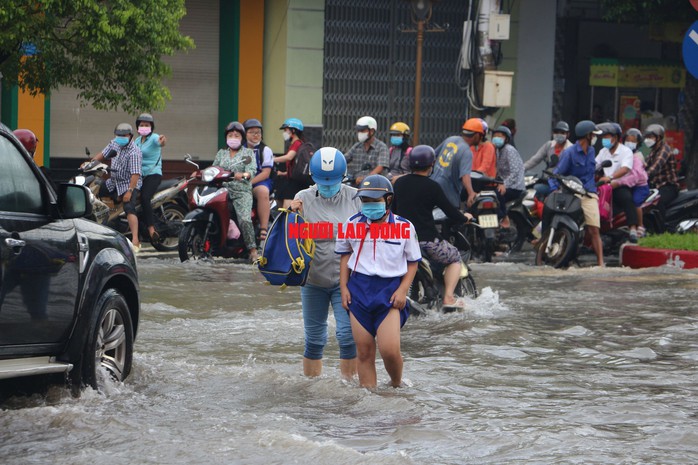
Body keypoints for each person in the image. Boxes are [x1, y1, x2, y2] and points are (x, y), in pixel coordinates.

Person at [336, 175, 420, 388]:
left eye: (375, 201)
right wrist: (344, 287)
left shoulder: (405, 227)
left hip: (389, 291)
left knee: (390, 351)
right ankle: (370, 401)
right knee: (364, 351)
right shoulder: (351, 224)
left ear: (388, 199)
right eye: (365, 201)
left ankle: (396, 384)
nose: (369, 205)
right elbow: (345, 255)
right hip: (359, 290)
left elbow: (413, 262)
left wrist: (403, 290)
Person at [290, 147, 360, 379]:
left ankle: (348, 388)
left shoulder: (356, 197)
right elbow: (291, 240)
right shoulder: (303, 198)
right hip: (313, 280)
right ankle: (310, 389)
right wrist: (291, 215)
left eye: (333, 182)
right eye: (322, 182)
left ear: (343, 176)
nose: (327, 186)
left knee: (348, 337)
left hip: (347, 283)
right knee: (314, 339)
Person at [393, 145, 473, 310]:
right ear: (432, 164)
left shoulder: (399, 183)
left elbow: (393, 211)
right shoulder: (432, 186)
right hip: (426, 241)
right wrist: (465, 218)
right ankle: (449, 298)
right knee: (455, 257)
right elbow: (450, 211)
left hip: (400, 241)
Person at [548, 120, 604, 266]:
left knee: (594, 229)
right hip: (572, 193)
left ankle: (600, 263)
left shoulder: (592, 151)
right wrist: (554, 189)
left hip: (589, 193)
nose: (595, 138)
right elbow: (557, 173)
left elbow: (592, 173)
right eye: (593, 135)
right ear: (587, 135)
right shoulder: (569, 153)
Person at [88, 123, 143, 251]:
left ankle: (135, 239)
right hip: (114, 181)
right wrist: (89, 164)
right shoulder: (115, 144)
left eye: (123, 135)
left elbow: (135, 174)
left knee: (129, 207)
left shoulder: (134, 152)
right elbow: (102, 154)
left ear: (130, 136)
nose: (120, 137)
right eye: (118, 135)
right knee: (94, 191)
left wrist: (129, 191)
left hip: (128, 183)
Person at [213, 121, 259, 262]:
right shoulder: (221, 153)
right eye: (230, 135)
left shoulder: (248, 153)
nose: (233, 137)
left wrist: (244, 175)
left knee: (245, 219)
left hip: (241, 191)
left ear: (242, 138)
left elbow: (251, 171)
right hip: (222, 190)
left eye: (236, 135)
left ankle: (253, 250)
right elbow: (215, 168)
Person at [595, 122, 639, 242]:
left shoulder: (626, 151)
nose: (604, 140)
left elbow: (625, 169)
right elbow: (594, 165)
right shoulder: (603, 151)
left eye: (607, 137)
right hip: (604, 186)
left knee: (626, 198)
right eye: (603, 138)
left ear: (615, 138)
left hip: (620, 184)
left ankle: (633, 228)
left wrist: (611, 177)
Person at [134, 113, 167, 244]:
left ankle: (151, 229)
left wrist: (162, 141)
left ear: (151, 127)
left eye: (147, 125)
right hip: (139, 175)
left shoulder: (154, 137)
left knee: (144, 197)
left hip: (153, 174)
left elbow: (161, 141)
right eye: (141, 125)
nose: (144, 127)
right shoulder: (136, 141)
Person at [431, 122, 477, 209]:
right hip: (448, 194)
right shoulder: (466, 152)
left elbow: (432, 155)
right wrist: (471, 193)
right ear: (476, 135)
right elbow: (465, 176)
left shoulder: (451, 139)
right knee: (453, 219)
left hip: (432, 186)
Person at [524, 121, 573, 199]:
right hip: (548, 181)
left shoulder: (571, 149)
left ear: (568, 134)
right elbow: (535, 159)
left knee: (537, 189)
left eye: (562, 132)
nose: (559, 134)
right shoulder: (549, 145)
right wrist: (521, 168)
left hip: (562, 185)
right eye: (557, 132)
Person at [615, 128, 650, 238]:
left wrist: (619, 182)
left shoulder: (638, 156)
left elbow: (635, 176)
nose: (630, 143)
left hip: (640, 186)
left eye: (633, 141)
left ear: (638, 143)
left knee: (635, 202)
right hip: (630, 185)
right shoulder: (623, 154)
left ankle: (640, 226)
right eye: (628, 140)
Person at [243, 118, 273, 242]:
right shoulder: (239, 150)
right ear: (245, 134)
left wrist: (249, 182)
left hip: (260, 181)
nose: (256, 135)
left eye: (258, 132)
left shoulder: (265, 150)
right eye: (252, 132)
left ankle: (263, 229)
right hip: (240, 180)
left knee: (262, 192)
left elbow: (266, 173)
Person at [491, 126, 525, 229]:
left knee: (496, 194)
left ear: (506, 139)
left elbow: (514, 172)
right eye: (495, 135)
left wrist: (504, 185)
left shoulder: (509, 150)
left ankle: (504, 216)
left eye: (500, 136)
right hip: (503, 183)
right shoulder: (497, 150)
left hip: (514, 186)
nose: (497, 137)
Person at [643, 124, 679, 215]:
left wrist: (642, 177)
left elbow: (654, 168)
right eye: (646, 137)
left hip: (668, 187)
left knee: (658, 201)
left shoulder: (664, 150)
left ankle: (662, 228)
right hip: (656, 186)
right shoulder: (653, 151)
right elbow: (644, 165)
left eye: (650, 137)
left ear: (658, 137)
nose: (647, 140)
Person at [345, 116, 389, 186]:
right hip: (356, 183)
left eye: (362, 131)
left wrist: (366, 178)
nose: (359, 133)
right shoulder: (357, 146)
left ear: (371, 131)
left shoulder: (381, 147)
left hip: (375, 184)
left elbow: (380, 167)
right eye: (358, 131)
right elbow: (344, 159)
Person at [274, 118, 307, 209]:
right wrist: (282, 173)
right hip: (288, 180)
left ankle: (289, 223)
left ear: (293, 130)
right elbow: (293, 167)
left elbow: (289, 157)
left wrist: (272, 159)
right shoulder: (293, 144)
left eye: (285, 130)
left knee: (287, 208)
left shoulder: (297, 143)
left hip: (294, 182)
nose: (284, 133)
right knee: (278, 201)